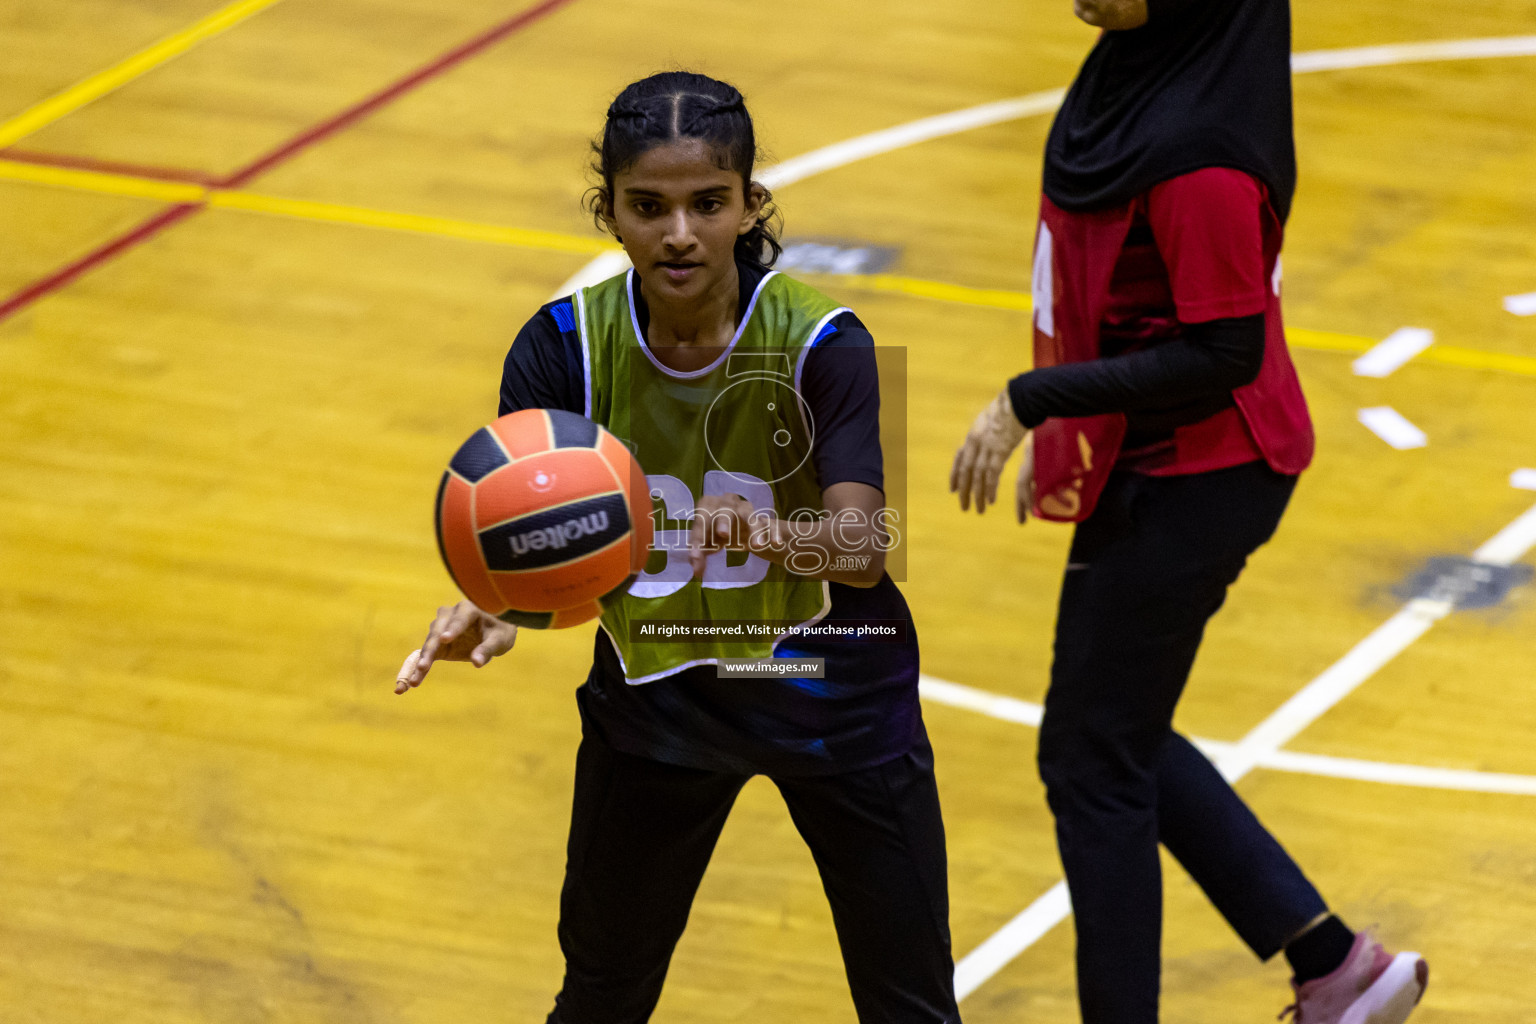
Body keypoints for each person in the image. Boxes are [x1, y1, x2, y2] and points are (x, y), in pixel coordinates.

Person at [396, 72, 961, 1024]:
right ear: (610, 214)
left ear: (749, 206)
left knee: (909, 1008)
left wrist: (771, 534)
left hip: (832, 691)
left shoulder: (826, 340)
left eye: (709, 203)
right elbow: (531, 531)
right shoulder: (560, 349)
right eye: (648, 208)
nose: (681, 233)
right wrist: (494, 606)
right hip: (661, 703)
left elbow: (866, 545)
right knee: (604, 993)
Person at [950, 1, 1429, 1022]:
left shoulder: (1202, 158)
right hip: (1152, 456)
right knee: (1112, 733)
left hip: (1203, 471)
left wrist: (1033, 402)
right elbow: (1103, 289)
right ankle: (1338, 963)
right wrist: (1073, 425)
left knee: (1091, 760)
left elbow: (1224, 354)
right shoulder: (1137, 71)